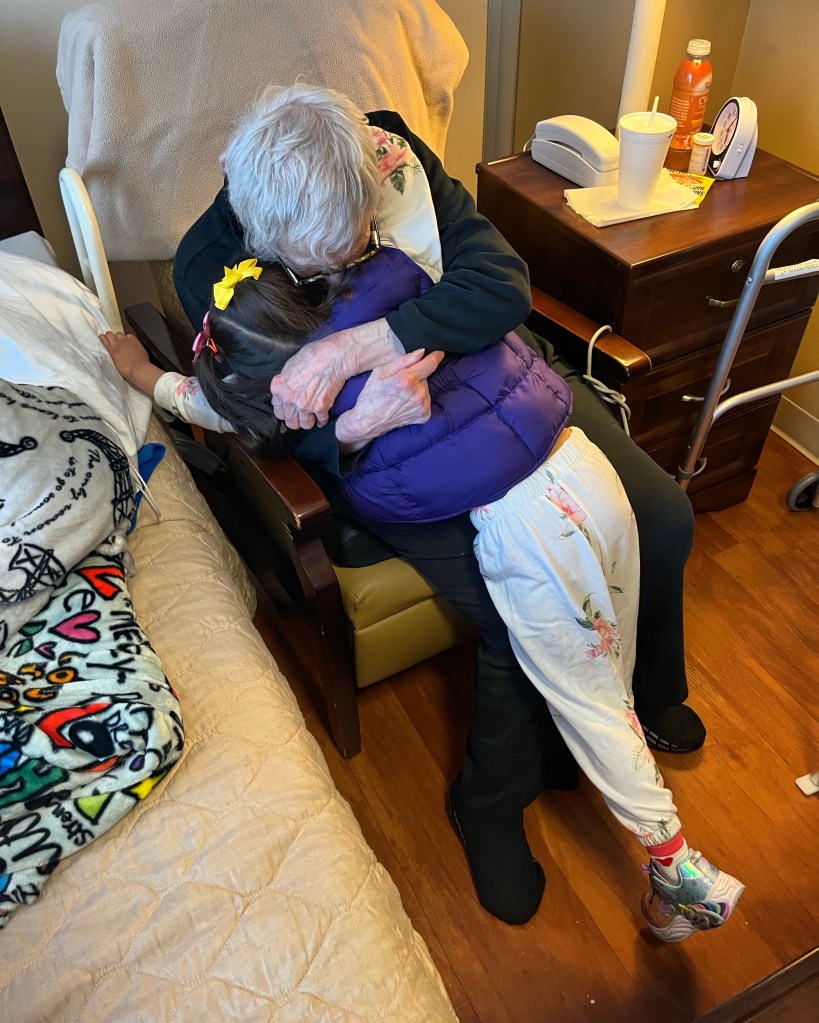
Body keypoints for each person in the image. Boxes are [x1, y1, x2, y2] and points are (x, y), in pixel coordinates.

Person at [160, 82, 705, 926]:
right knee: (512, 610)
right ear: (264, 238)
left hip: (495, 374)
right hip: (389, 448)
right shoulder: (207, 266)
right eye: (325, 266)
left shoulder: (390, 155)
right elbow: (266, 420)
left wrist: (357, 340)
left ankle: (642, 687)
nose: (348, 268)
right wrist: (351, 429)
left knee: (662, 516)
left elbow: (498, 285)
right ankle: (489, 800)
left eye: (360, 243)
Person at [100, 247, 744, 941]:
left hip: (532, 481)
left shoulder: (362, 314)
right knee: (577, 660)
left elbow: (205, 400)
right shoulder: (356, 299)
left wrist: (145, 374)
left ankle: (667, 851)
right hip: (550, 465)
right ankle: (547, 810)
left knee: (591, 662)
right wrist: (340, 426)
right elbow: (212, 398)